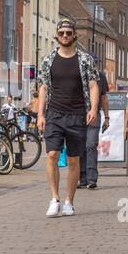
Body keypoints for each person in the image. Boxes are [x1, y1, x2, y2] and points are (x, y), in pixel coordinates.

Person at [36, 16, 101, 217]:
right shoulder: (48, 60)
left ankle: (69, 201)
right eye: (62, 33)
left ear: (74, 36)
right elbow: (44, 87)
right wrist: (40, 114)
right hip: (54, 113)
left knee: (73, 160)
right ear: (57, 35)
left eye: (69, 33)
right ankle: (54, 198)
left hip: (77, 114)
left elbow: (93, 85)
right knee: (52, 155)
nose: (65, 36)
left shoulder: (84, 59)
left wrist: (93, 109)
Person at [83, 68, 111, 189]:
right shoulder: (77, 72)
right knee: (79, 146)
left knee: (91, 144)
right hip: (77, 114)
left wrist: (107, 117)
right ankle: (81, 178)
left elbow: (104, 98)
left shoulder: (100, 76)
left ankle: (91, 179)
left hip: (94, 115)